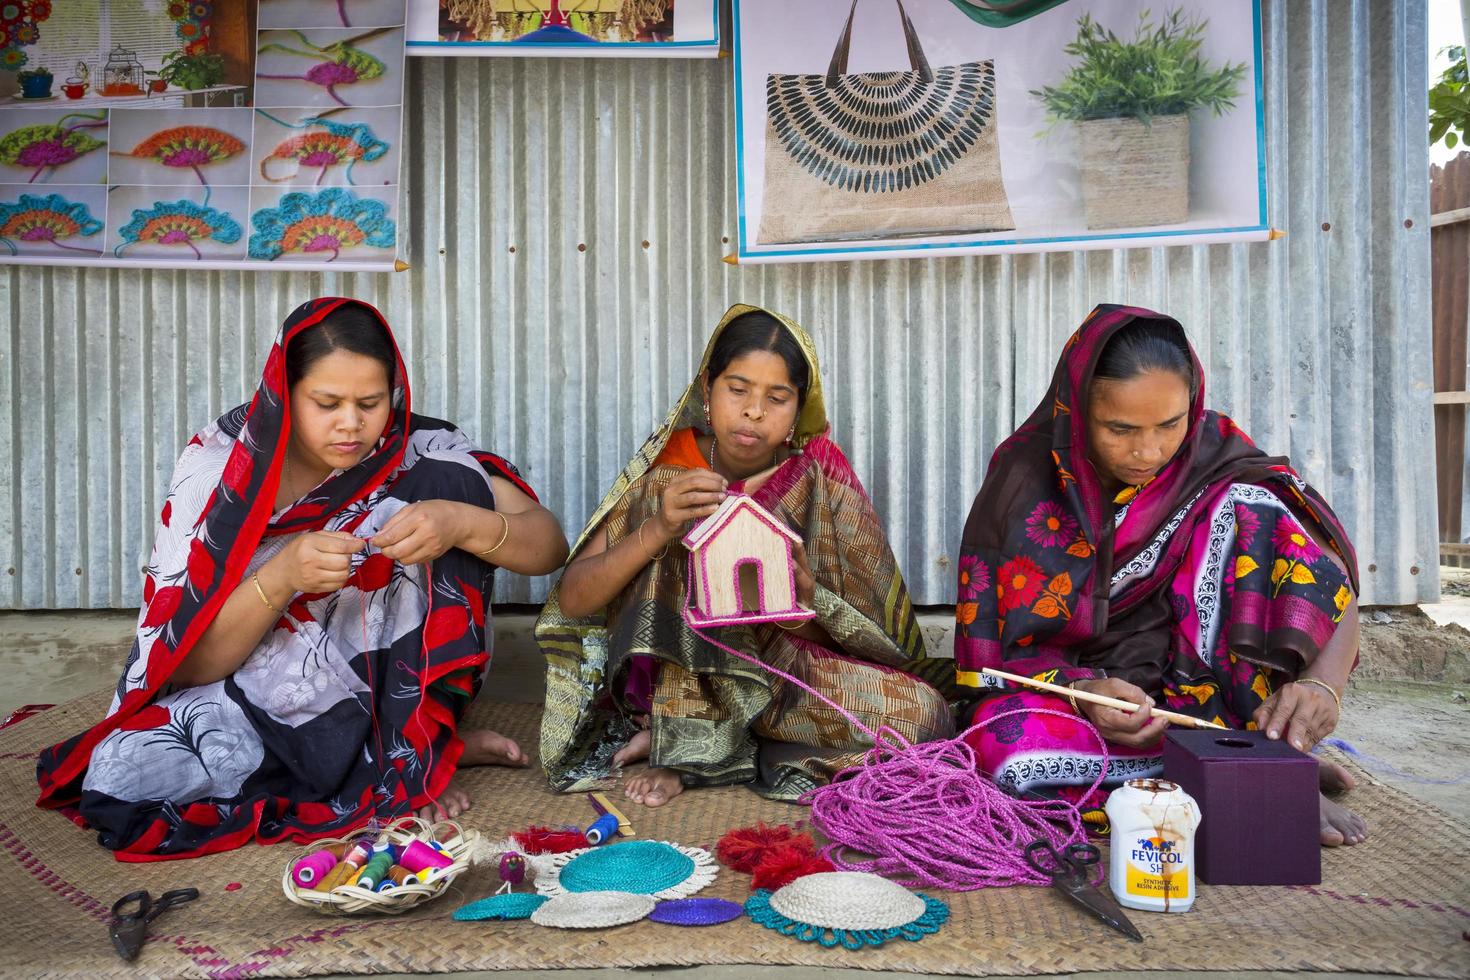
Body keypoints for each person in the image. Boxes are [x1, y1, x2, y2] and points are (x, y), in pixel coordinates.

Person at [35, 297, 568, 858]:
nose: (352, 424)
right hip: (261, 688)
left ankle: (417, 747)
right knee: (121, 771)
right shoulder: (221, 471)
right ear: (284, 394)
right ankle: (404, 759)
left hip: (388, 690)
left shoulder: (419, 450)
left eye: (370, 402)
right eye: (327, 402)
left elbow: (548, 546)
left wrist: (461, 522)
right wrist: (282, 577)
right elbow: (190, 665)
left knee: (449, 486)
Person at [954, 304, 1367, 847]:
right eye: (1119, 429)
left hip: (1215, 700)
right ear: (1077, 411)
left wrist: (1322, 686)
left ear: (1191, 406)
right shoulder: (1025, 480)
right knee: (1002, 749)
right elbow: (996, 657)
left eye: (1169, 424)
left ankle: (1260, 752)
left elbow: (1325, 577)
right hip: (1099, 705)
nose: (1147, 451)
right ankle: (1227, 769)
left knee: (1252, 508)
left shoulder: (1216, 454)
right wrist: (1086, 694)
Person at [537, 303, 954, 807]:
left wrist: (802, 600)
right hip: (679, 683)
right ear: (707, 391)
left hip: (778, 678)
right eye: (738, 390)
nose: (754, 411)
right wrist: (659, 529)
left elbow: (858, 636)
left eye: (776, 398)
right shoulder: (666, 471)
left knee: (926, 718)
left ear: (798, 410)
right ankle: (681, 748)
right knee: (672, 509)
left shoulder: (816, 477)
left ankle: (740, 748)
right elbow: (576, 598)